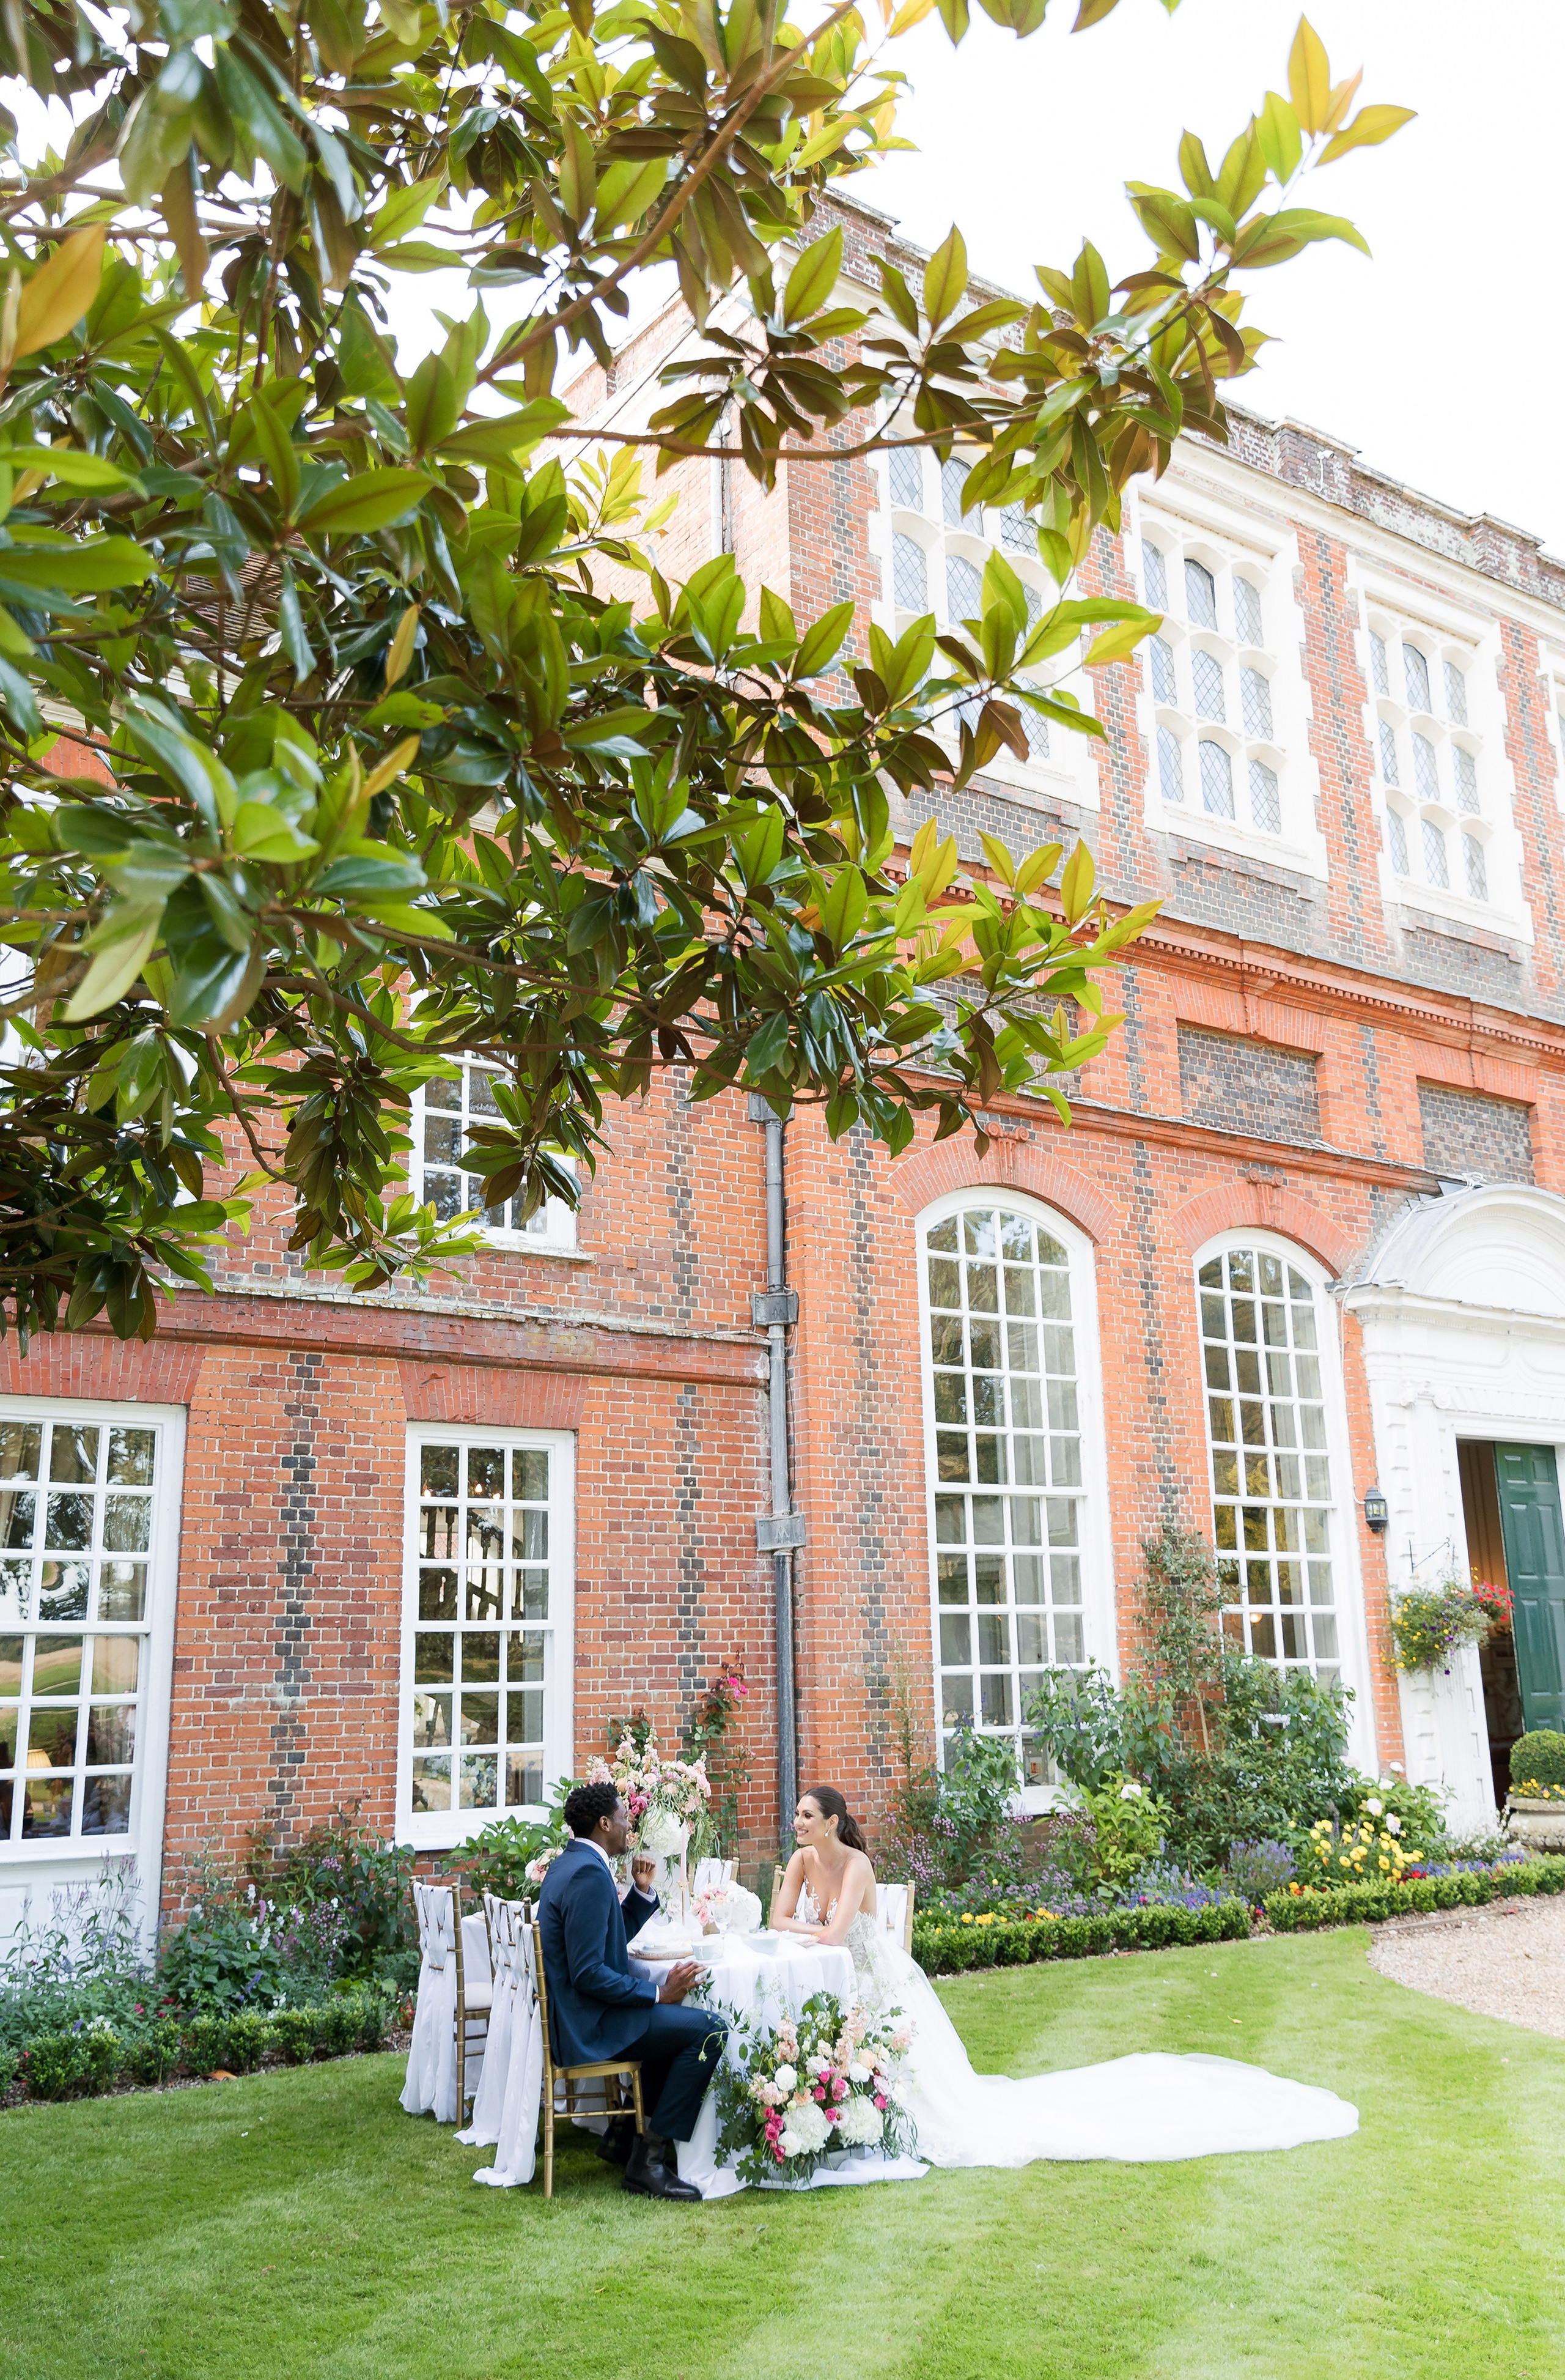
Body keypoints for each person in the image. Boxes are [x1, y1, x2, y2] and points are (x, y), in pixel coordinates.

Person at [770, 1783, 1359, 2165]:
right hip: (838, 1971)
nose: (796, 1822)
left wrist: (795, 1931)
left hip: (876, 1975)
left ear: (832, 1823)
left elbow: (833, 1935)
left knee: (938, 2089)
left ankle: (874, 2114)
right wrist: (796, 1930)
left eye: (806, 1815)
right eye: (796, 1814)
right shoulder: (800, 1860)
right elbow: (777, 1915)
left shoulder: (857, 1864)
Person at [536, 1779, 729, 2201]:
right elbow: (589, 1973)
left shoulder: (573, 1863)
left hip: (585, 2015)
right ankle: (650, 2161)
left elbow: (602, 1944)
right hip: (590, 2026)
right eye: (625, 1819)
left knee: (678, 2030)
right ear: (605, 1823)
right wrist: (659, 1995)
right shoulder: (589, 1873)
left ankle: (626, 2136)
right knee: (708, 2030)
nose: (630, 1828)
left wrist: (640, 1896)